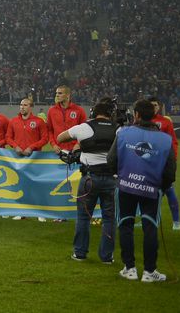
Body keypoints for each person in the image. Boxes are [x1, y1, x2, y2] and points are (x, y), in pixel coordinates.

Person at [108, 100, 176, 282]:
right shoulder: (165, 139)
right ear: (153, 115)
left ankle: (129, 269)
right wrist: (162, 186)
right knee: (150, 227)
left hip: (126, 187)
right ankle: (149, 272)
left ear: (136, 114)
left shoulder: (123, 133)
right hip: (151, 189)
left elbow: (111, 159)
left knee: (125, 224)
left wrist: (120, 175)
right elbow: (170, 170)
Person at [57, 98, 118, 264]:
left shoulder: (84, 127)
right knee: (109, 219)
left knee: (83, 217)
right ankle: (107, 256)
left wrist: (81, 143)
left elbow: (61, 138)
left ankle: (80, 253)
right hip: (112, 179)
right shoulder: (119, 130)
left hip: (89, 178)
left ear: (93, 112)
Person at [148, 97, 180, 230]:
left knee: (168, 189)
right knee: (148, 192)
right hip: (148, 162)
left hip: (164, 162)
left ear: (159, 107)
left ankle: (176, 221)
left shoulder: (165, 122)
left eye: (155, 105)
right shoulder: (141, 121)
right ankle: (151, 219)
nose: (153, 107)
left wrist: (173, 159)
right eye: (150, 105)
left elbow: (173, 142)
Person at [48, 85, 87, 152]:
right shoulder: (51, 111)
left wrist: (78, 144)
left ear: (68, 95)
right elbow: (49, 130)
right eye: (56, 93)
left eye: (60, 93)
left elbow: (84, 130)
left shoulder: (79, 110)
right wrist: (53, 145)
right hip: (59, 149)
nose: (57, 95)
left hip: (75, 149)